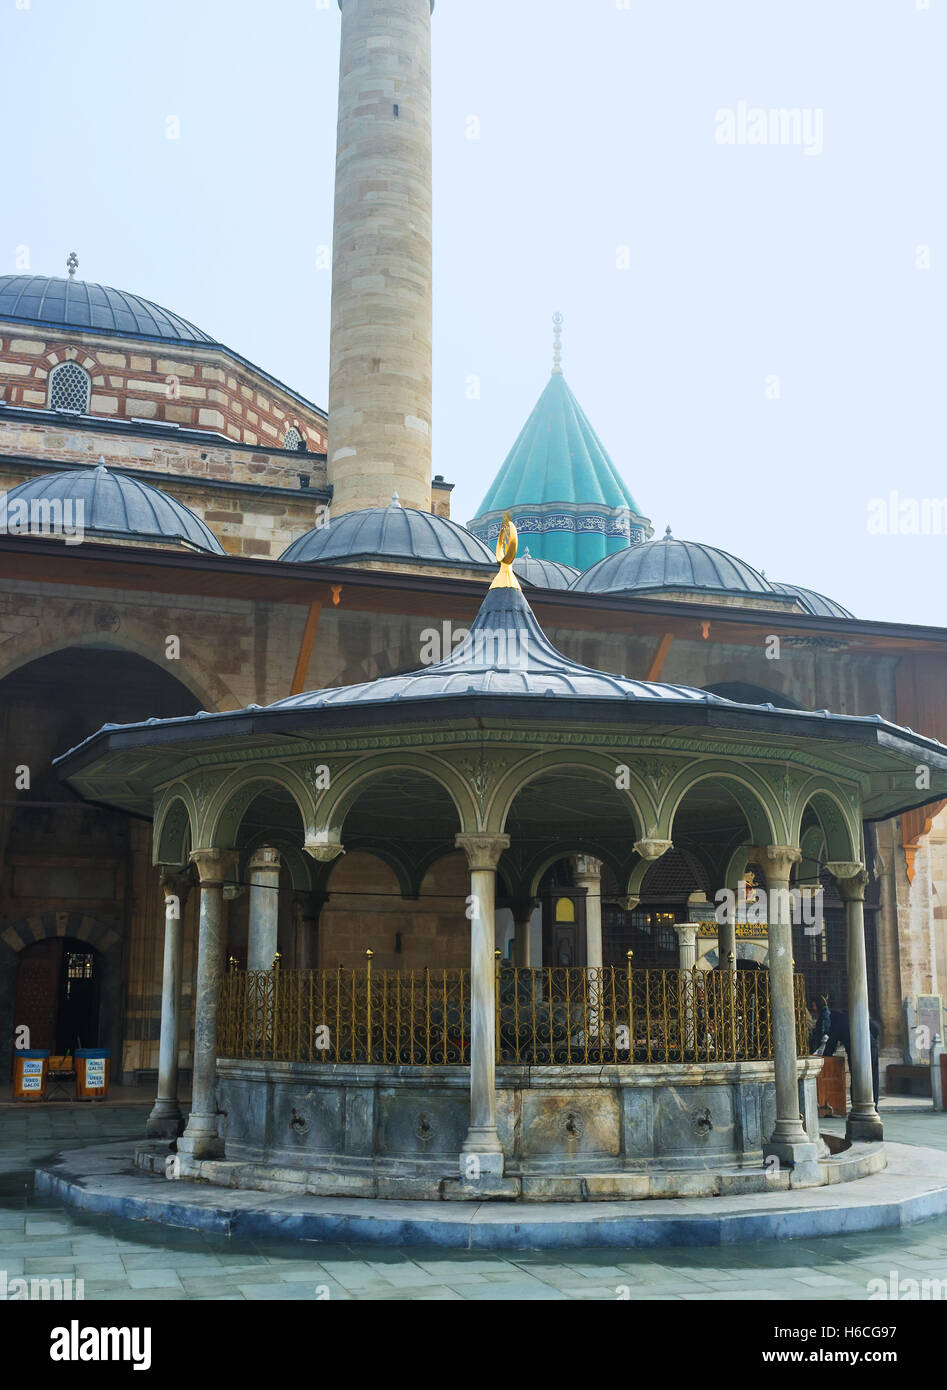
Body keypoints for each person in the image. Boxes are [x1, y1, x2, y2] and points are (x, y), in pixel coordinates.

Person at [823, 1006, 880, 1107]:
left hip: (856, 1050)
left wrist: (825, 1056)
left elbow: (831, 1042)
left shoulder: (837, 1022)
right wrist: (871, 1040)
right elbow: (875, 1028)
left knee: (857, 1077)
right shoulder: (854, 1016)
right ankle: (874, 1105)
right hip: (871, 1046)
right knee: (873, 1077)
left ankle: (858, 1105)